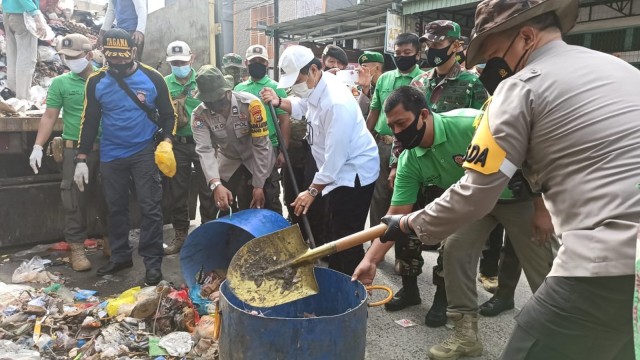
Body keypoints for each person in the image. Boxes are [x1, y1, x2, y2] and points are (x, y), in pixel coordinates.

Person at [378, 0, 640, 358]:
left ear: (527, 37)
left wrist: (408, 223)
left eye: (494, 53)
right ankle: (465, 334)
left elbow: (475, 192)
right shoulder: (618, 68)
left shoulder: (519, 88)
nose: (487, 68)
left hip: (606, 259)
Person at [353, 86, 556, 359]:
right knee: (454, 250)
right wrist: (372, 261)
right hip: (473, 203)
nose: (398, 132)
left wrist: (542, 208)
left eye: (402, 123)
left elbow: (531, 150)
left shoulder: (471, 124)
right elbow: (396, 213)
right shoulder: (410, 159)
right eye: (392, 126)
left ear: (423, 114)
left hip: (519, 199)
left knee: (543, 265)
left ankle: (563, 335)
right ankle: (466, 335)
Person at [261, 45, 379, 276]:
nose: (295, 87)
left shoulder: (335, 103)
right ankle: (336, 273)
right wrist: (278, 102)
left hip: (352, 174)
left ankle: (352, 289)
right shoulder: (317, 87)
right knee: (334, 229)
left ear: (314, 69)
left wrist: (312, 191)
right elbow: (302, 105)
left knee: (348, 234)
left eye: (297, 80)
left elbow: (336, 158)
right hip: (335, 173)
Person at [76, 29, 177, 286]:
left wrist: (166, 141)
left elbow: (169, 115)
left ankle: (152, 263)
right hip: (111, 153)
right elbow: (90, 121)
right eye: (112, 58)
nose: (118, 63)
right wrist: (81, 157)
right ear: (105, 55)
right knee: (115, 207)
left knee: (150, 208)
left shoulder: (153, 78)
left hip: (144, 151)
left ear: (132, 52)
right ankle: (120, 255)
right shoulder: (97, 82)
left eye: (123, 57)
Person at [29, 34, 104, 272]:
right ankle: (77, 250)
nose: (69, 61)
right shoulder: (61, 83)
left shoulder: (105, 79)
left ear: (89, 55)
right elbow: (50, 116)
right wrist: (38, 146)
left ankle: (113, 242)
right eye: (65, 57)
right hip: (73, 151)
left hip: (106, 149)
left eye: (75, 57)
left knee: (110, 197)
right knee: (74, 201)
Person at [191, 65, 277, 216]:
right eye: (209, 101)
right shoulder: (199, 115)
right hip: (228, 160)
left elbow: (261, 145)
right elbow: (205, 150)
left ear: (228, 91)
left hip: (255, 158)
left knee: (265, 203)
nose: (215, 106)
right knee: (220, 205)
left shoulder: (252, 105)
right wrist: (216, 184)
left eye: (218, 100)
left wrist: (258, 185)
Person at [162, 40, 214, 255]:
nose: (179, 65)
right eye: (174, 62)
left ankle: (209, 234)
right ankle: (181, 235)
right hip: (178, 145)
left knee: (208, 188)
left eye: (182, 61)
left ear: (192, 58)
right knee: (177, 191)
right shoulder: (164, 83)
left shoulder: (202, 80)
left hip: (204, 143)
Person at [235, 44, 291, 214]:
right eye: (253, 61)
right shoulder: (239, 89)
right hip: (245, 150)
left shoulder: (275, 87)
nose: (257, 64)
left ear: (267, 64)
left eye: (261, 61)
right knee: (246, 195)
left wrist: (283, 150)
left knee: (270, 193)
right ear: (246, 63)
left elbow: (285, 120)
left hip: (270, 147)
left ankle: (275, 234)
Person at [2, 0, 45, 100]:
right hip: (23, 14)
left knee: (13, 57)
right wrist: (35, 14)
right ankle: (23, 99)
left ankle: (12, 96)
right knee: (26, 59)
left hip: (8, 12)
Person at [355, 51, 384, 118]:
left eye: (364, 67)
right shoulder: (359, 87)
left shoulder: (387, 84)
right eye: (361, 67)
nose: (361, 70)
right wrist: (365, 88)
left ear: (377, 68)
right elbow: (359, 111)